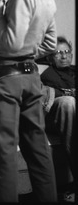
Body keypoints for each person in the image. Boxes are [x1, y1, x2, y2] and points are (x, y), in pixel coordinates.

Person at [0, 0, 58, 202]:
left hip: (9, 79)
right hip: (32, 78)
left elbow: (11, 44)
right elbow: (50, 45)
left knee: (5, 149)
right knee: (38, 146)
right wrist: (30, 53)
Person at [40, 36, 76, 198]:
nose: (64, 56)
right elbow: (53, 99)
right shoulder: (48, 76)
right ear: (50, 57)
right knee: (68, 102)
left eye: (67, 51)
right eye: (58, 53)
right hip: (55, 116)